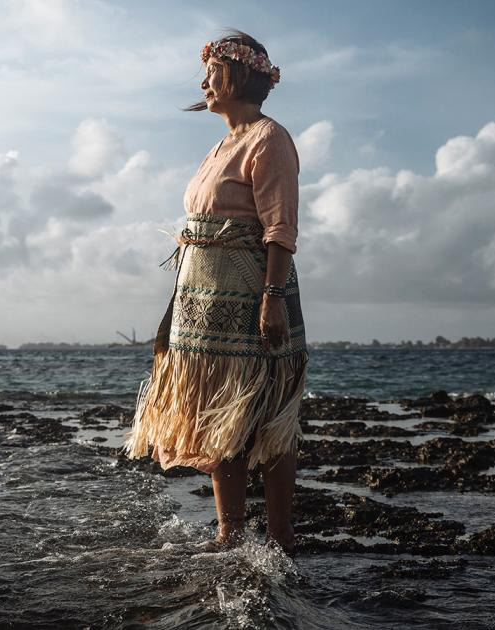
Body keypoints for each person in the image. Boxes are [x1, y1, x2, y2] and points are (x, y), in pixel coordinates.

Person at [124, 30, 308, 554]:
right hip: (205, 308)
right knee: (219, 411)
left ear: (235, 76)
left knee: (268, 414)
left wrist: (271, 298)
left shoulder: (270, 139)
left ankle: (281, 537)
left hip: (253, 299)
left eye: (211, 72)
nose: (204, 83)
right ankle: (230, 533)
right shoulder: (224, 142)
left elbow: (280, 229)